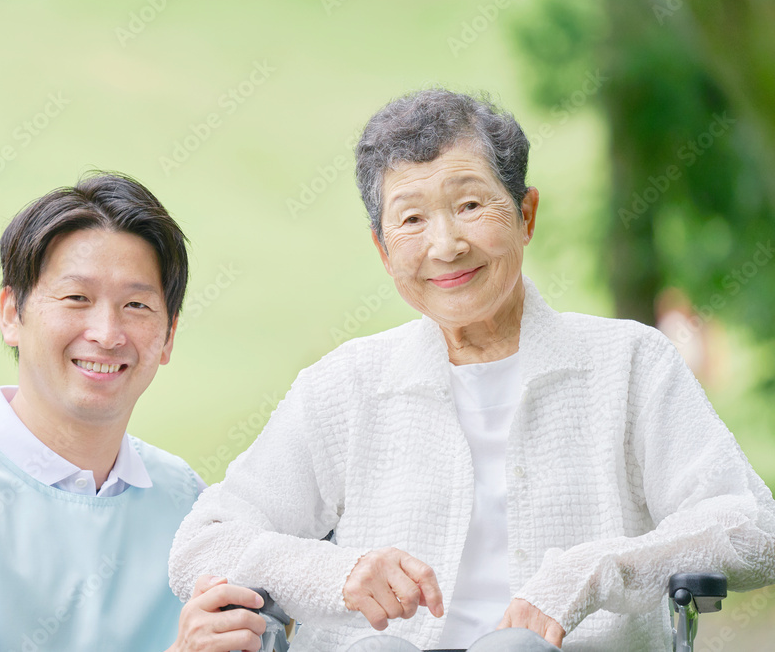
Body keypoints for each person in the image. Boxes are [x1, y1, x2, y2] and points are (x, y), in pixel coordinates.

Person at [168, 89, 775, 650]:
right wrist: (338, 572)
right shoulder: (346, 385)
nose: (446, 245)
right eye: (411, 219)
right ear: (382, 249)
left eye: (470, 204)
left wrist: (593, 571)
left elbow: (751, 530)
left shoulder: (630, 364)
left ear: (525, 214)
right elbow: (201, 545)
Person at [0, 172, 266, 651]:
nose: (107, 332)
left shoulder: (185, 500)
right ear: (12, 315)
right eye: (77, 297)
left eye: (136, 305)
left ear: (168, 337)